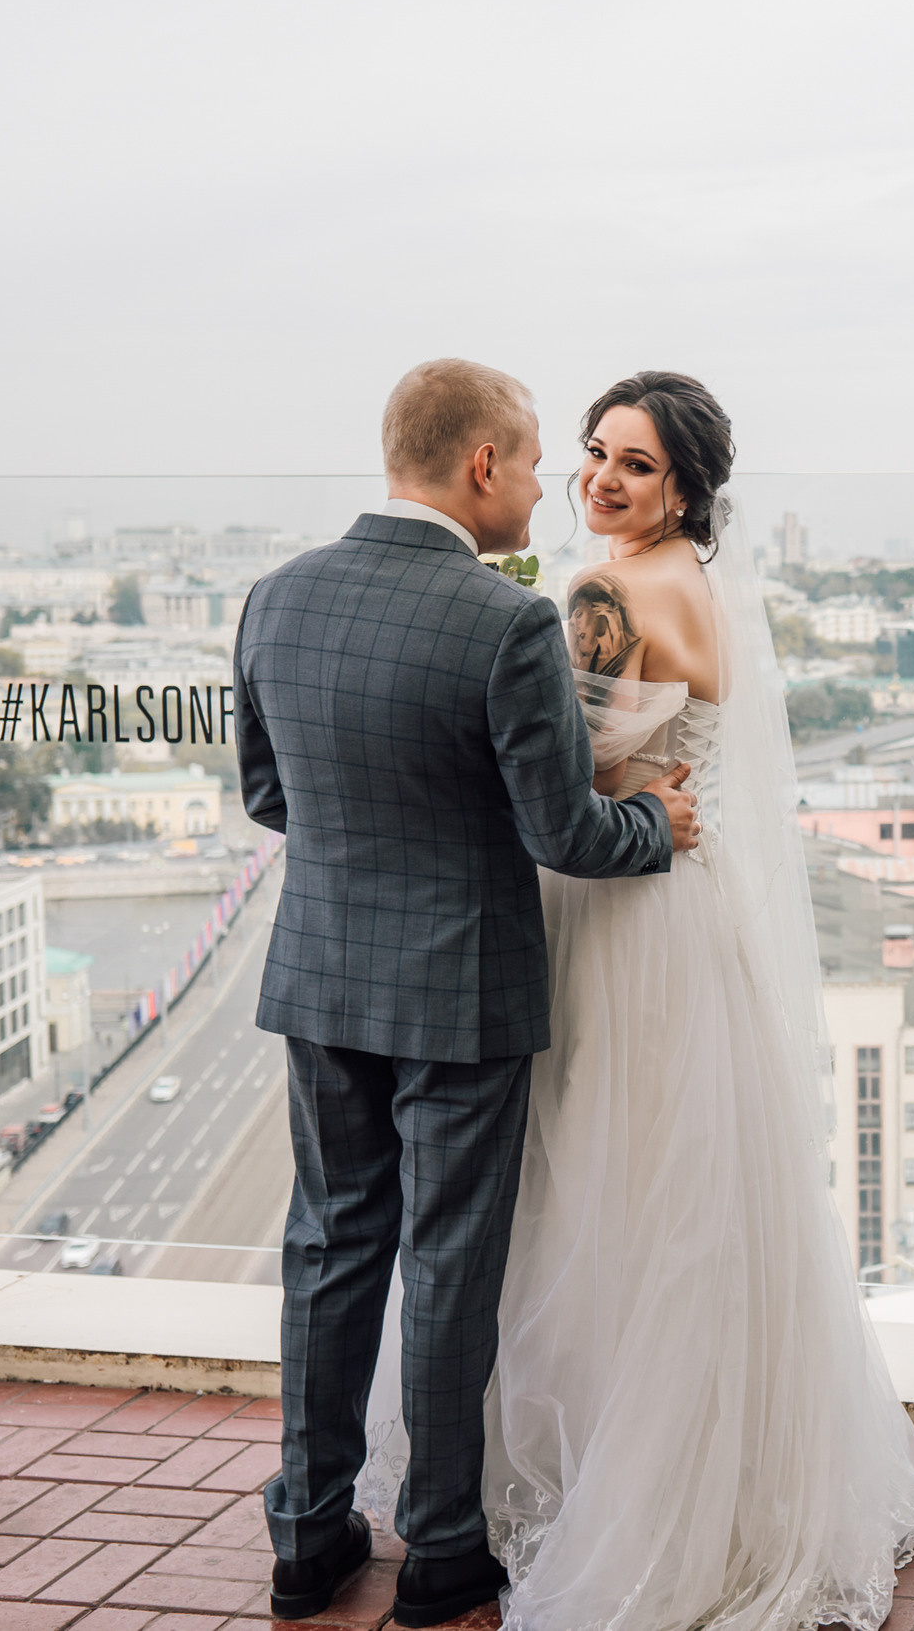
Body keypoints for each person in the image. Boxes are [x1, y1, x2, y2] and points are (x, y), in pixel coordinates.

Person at [356, 370, 914, 1631]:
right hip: (694, 911)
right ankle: (727, 1478)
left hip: (608, 908)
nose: (599, 480)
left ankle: (600, 1486)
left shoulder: (602, 594)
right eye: (591, 453)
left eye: (633, 463)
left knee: (583, 1198)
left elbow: (551, 781)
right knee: (690, 1201)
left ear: (685, 485)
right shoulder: (714, 594)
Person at [234, 359, 701, 1626]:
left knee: (329, 1251)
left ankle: (306, 1535)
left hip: (322, 982)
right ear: (481, 466)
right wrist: (656, 822)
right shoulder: (503, 626)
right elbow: (565, 835)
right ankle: (441, 1552)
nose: (552, 483)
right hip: (462, 995)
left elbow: (269, 799)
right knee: (445, 1264)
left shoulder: (274, 598)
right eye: (542, 459)